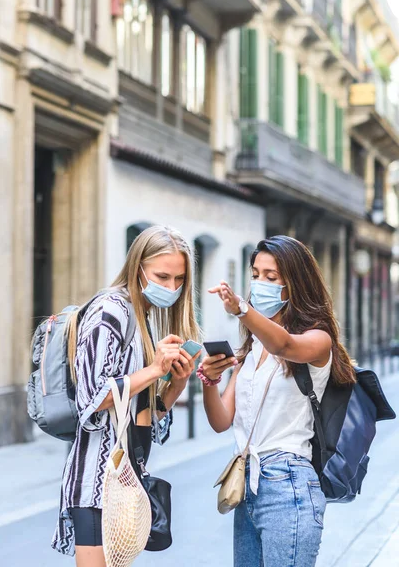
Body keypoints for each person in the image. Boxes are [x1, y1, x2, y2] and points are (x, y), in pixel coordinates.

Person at [199, 235, 356, 567]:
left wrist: (242, 309)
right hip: (247, 486)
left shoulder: (317, 339)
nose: (259, 284)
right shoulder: (251, 348)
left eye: (271, 277)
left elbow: (284, 346)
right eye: (256, 274)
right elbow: (221, 421)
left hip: (289, 485)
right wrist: (210, 381)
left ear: (294, 284)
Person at [52, 225, 201, 567]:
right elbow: (92, 396)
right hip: (96, 482)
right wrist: (153, 369)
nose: (171, 288)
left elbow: (141, 413)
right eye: (162, 277)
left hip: (125, 479)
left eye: (179, 280)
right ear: (138, 268)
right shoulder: (111, 312)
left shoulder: (142, 314)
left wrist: (175, 383)